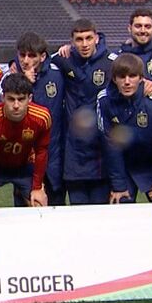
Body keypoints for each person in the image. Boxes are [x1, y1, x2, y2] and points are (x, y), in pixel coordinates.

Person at [96, 54, 152, 251]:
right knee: (120, 206)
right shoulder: (104, 100)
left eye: (132, 76)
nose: (127, 82)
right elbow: (110, 145)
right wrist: (118, 185)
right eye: (121, 76)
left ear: (141, 78)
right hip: (124, 166)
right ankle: (125, 258)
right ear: (114, 79)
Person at [51, 19, 117, 205]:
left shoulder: (112, 62)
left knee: (100, 211)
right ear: (72, 41)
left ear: (97, 38)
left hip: (101, 149)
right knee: (78, 210)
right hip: (74, 152)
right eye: (79, 39)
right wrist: (15, 64)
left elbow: (135, 75)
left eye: (88, 38)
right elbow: (38, 59)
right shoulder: (63, 59)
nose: (84, 44)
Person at [0, 33, 66, 205]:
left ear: (42, 56)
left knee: (56, 207)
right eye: (22, 55)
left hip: (53, 155)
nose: (26, 60)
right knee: (25, 210)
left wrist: (68, 48)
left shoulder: (58, 73)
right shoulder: (10, 77)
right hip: (24, 158)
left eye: (31, 56)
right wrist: (23, 83)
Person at [0, 74, 52, 208]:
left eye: (21, 99)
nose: (16, 105)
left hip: (24, 166)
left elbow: (42, 151)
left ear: (29, 98)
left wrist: (37, 187)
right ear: (2, 98)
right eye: (11, 99)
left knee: (39, 204)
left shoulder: (42, 117)